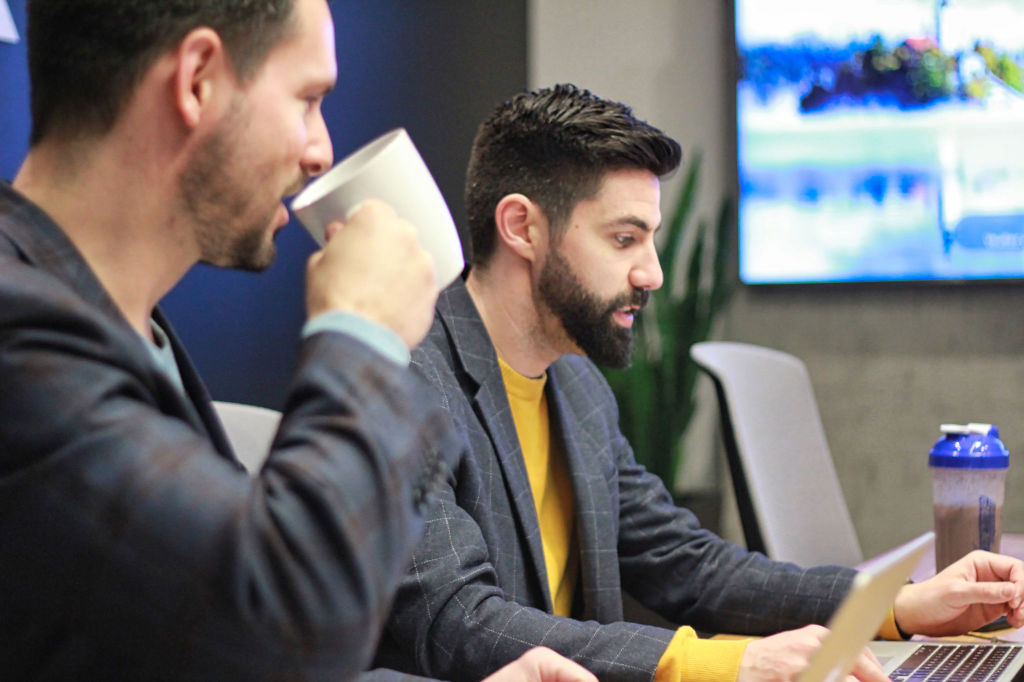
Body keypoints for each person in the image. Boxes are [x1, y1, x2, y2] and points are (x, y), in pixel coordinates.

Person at [0, 2, 596, 681]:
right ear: (197, 80)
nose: (320, 151)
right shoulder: (18, 330)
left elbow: (207, 649)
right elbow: (285, 631)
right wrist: (360, 332)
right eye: (307, 100)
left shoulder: (123, 330)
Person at [371, 83, 1024, 682]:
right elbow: (459, 622)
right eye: (624, 239)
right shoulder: (405, 377)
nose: (652, 273)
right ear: (522, 227)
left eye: (652, 240)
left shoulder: (576, 386)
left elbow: (691, 565)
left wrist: (898, 607)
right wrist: (733, 663)